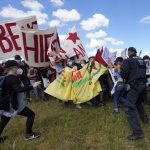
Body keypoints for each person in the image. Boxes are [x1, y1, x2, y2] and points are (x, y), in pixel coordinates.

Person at [0, 60, 41, 143]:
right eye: (17, 67)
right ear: (13, 68)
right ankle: (29, 134)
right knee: (31, 114)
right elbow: (19, 89)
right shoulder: (12, 78)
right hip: (12, 105)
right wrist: (32, 86)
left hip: (5, 105)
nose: (18, 68)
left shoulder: (7, 77)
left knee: (4, 121)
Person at [120, 47, 148, 140]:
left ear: (129, 52)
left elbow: (124, 74)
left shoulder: (128, 60)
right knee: (138, 103)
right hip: (143, 84)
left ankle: (138, 132)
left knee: (128, 107)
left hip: (135, 85)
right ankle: (145, 119)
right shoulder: (142, 60)